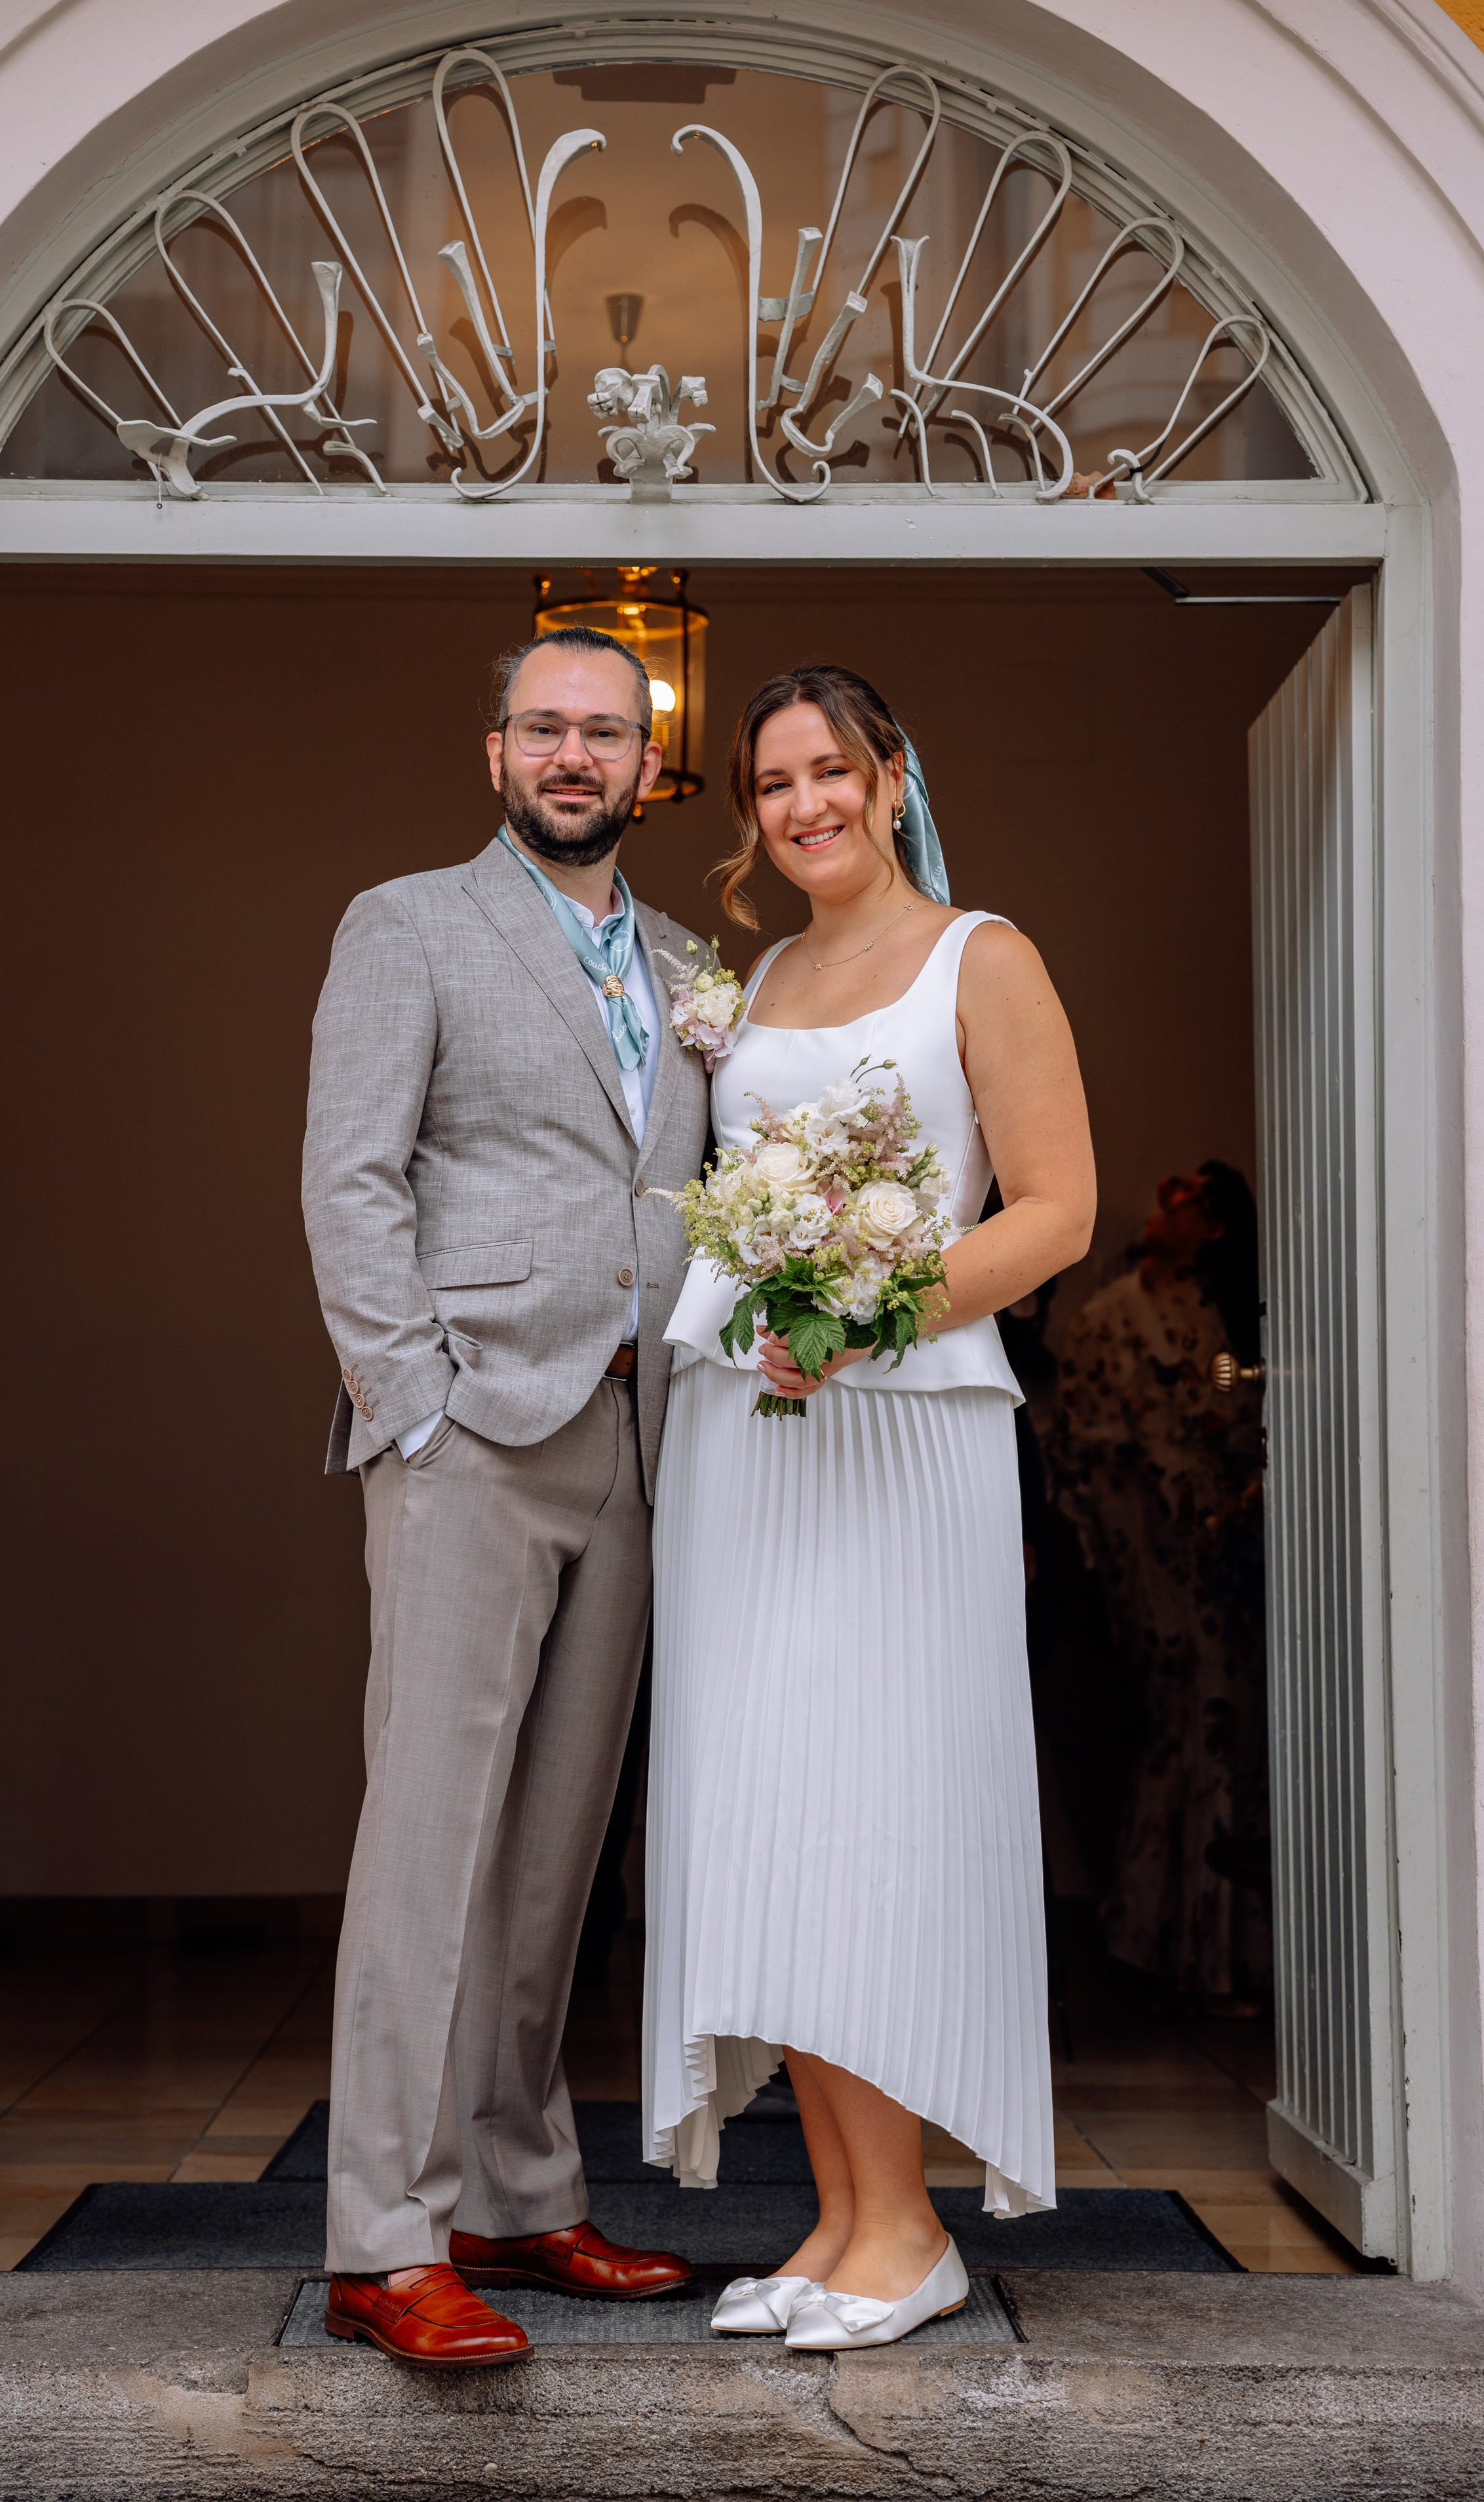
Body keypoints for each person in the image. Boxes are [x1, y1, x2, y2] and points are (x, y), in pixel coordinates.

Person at [642, 665, 1097, 2351]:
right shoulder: (753, 975)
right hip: (752, 1445)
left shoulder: (988, 954)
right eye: (772, 784)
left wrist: (872, 1309)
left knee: (875, 1806)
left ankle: (911, 2231)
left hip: (901, 1439)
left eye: (832, 768)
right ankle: (840, 2218)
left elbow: (1055, 1208)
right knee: (770, 1806)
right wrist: (778, 1319)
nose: (804, 802)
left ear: (894, 774)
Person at [302, 629, 713, 2366]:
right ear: (495, 754)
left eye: (603, 732)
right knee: (429, 1839)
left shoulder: (696, 964)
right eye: (544, 727)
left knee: (556, 1850)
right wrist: (414, 1416)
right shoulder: (407, 922)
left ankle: (518, 2195)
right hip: (473, 1432)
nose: (572, 754)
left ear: (645, 765)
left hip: (635, 1443)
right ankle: (385, 2235)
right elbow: (349, 1176)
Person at [1049, 1164, 1270, 2012]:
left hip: (1226, 1552)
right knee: (1183, 1718)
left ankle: (1217, 1950)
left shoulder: (1230, 1319)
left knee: (1226, 1724)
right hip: (1154, 1559)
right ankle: (1158, 1941)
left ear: (1211, 1225)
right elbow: (1090, 1455)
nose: (1160, 1205)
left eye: (1183, 1199)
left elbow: (1249, 1429)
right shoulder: (1112, 1318)